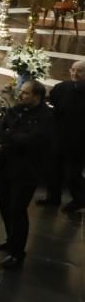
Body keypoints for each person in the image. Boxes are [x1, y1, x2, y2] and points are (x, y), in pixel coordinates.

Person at [0, 80, 56, 269]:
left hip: (27, 170)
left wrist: (11, 135)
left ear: (37, 96)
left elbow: (33, 141)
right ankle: (11, 239)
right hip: (7, 165)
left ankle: (17, 253)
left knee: (17, 210)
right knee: (4, 205)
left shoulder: (47, 116)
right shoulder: (16, 109)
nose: (20, 96)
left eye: (26, 93)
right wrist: (13, 136)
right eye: (21, 92)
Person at [44, 59, 85, 212]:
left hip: (79, 139)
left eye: (80, 71)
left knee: (72, 173)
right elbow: (52, 104)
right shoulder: (61, 87)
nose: (75, 73)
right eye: (73, 70)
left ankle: (79, 200)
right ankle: (53, 197)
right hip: (59, 135)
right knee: (53, 168)